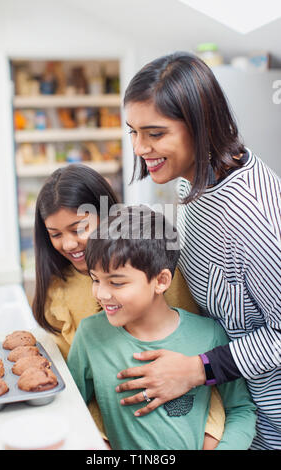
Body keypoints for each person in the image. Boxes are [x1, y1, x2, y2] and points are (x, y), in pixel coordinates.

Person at [115, 51, 281, 450]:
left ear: (200, 126)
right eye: (133, 132)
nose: (139, 147)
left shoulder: (253, 215)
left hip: (268, 421)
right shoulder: (193, 180)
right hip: (229, 401)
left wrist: (197, 368)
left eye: (155, 134)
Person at [31, 163, 223, 442]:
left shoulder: (157, 273)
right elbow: (77, 386)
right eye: (56, 234)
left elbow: (200, 354)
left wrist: (211, 439)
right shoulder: (56, 288)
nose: (69, 244)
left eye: (78, 228)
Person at [67, 206, 256, 450]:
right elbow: (70, 409)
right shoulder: (90, 335)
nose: (101, 293)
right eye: (95, 280)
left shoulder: (208, 334)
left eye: (116, 282)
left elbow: (241, 409)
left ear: (161, 281)